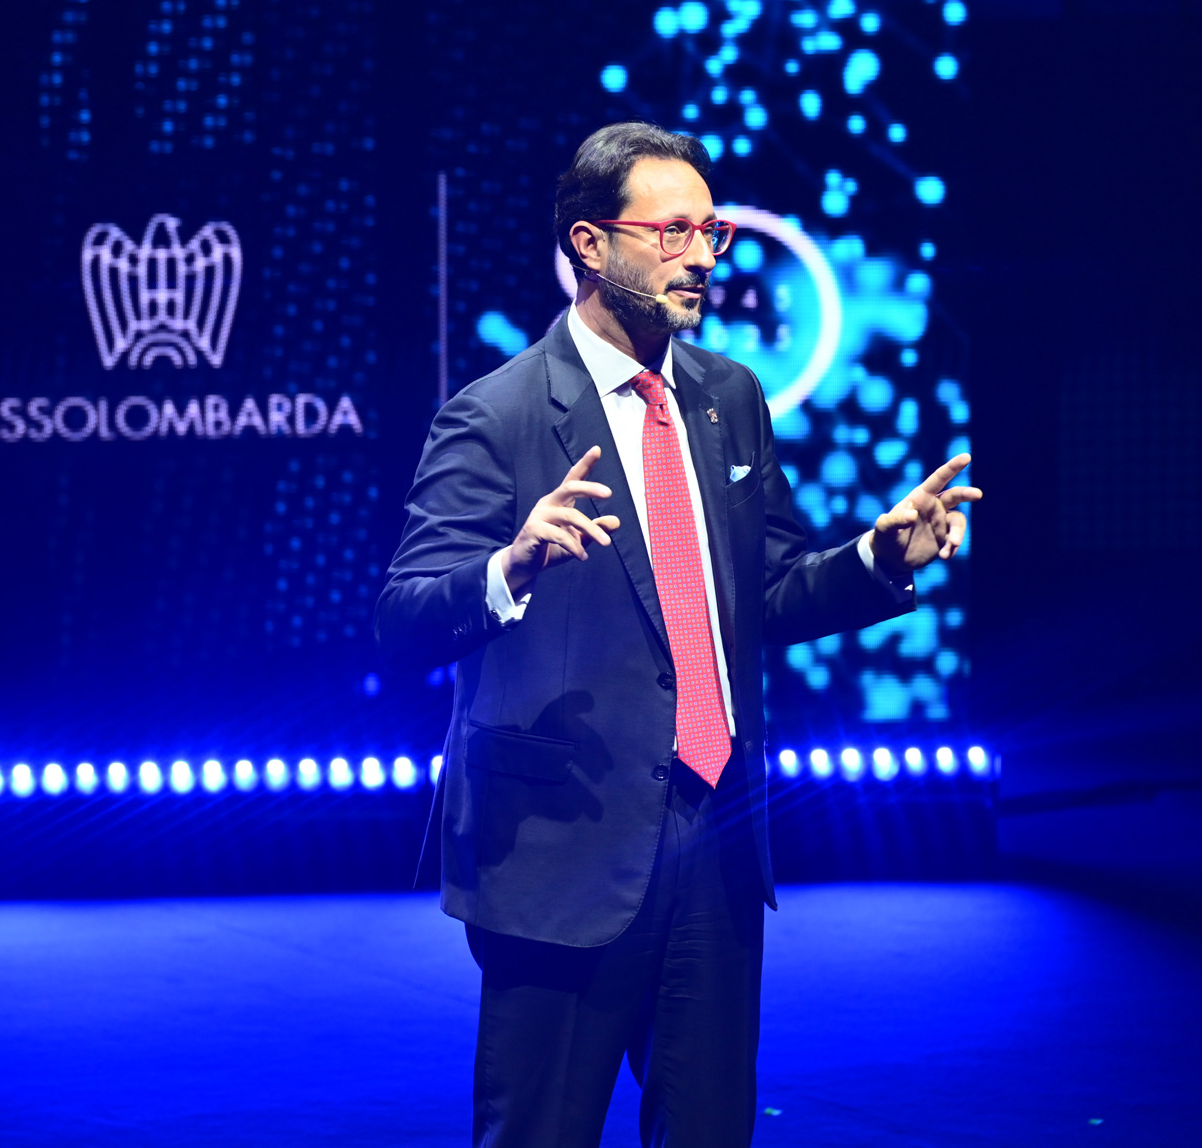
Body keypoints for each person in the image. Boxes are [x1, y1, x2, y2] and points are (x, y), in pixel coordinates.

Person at [376, 122, 978, 1147]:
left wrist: (878, 559)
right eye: (672, 232)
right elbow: (402, 620)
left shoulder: (726, 399)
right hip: (561, 848)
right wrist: (508, 567)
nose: (701, 255)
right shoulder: (497, 415)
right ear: (589, 243)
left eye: (711, 232)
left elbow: (767, 591)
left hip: (717, 838)